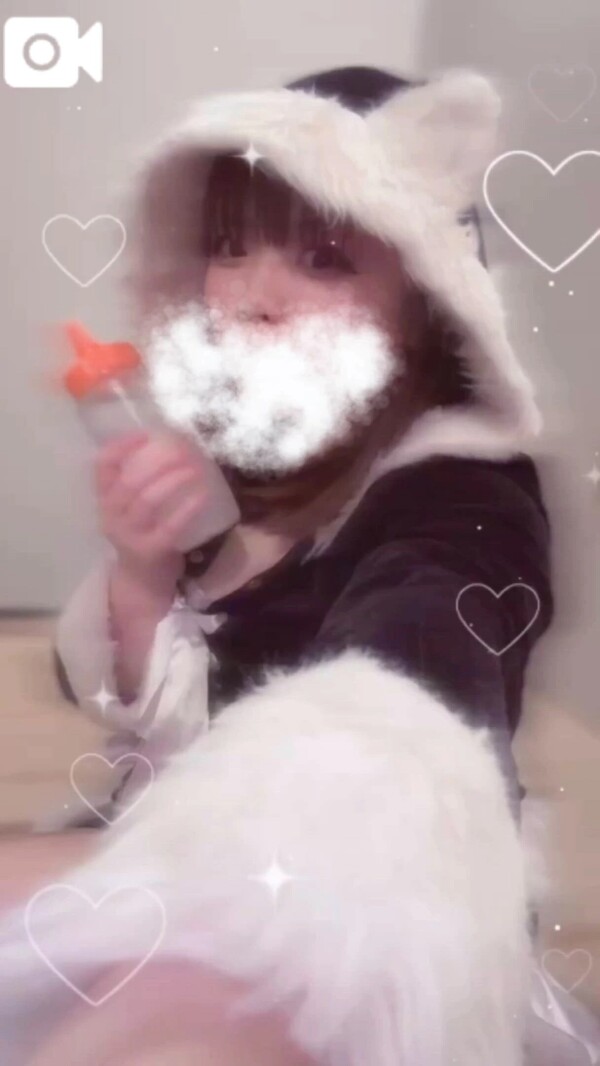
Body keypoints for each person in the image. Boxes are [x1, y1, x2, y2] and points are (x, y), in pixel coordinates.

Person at [1, 65, 599, 1066]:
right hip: (158, 833)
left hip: (353, 901)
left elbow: (422, 655)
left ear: (426, 309)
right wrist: (142, 574)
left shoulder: (460, 494)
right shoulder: (232, 461)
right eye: (230, 247)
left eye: (324, 259)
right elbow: (143, 715)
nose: (254, 297)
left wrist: (371, 750)